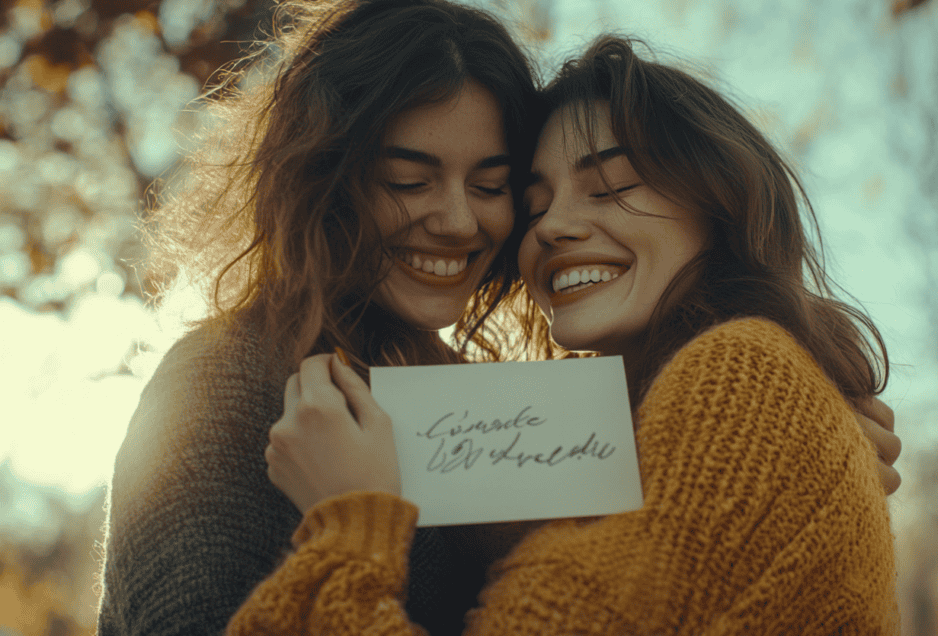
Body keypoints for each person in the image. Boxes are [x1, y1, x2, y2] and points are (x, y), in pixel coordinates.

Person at [226, 35, 901, 635]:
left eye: (607, 187)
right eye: (534, 203)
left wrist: (349, 528)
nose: (550, 227)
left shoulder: (741, 373)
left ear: (717, 203)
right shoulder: (667, 421)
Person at [97, 0, 540, 636]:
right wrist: (358, 521)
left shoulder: (490, 409)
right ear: (323, 175)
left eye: (490, 185)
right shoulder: (222, 382)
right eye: (408, 181)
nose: (457, 219)